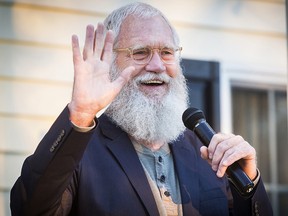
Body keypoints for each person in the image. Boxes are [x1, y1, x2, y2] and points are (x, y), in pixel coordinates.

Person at [10, 2, 273, 216]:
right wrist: (79, 114)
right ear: (112, 64)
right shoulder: (79, 151)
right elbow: (31, 209)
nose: (157, 65)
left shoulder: (206, 151)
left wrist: (248, 184)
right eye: (140, 52)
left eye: (167, 52)